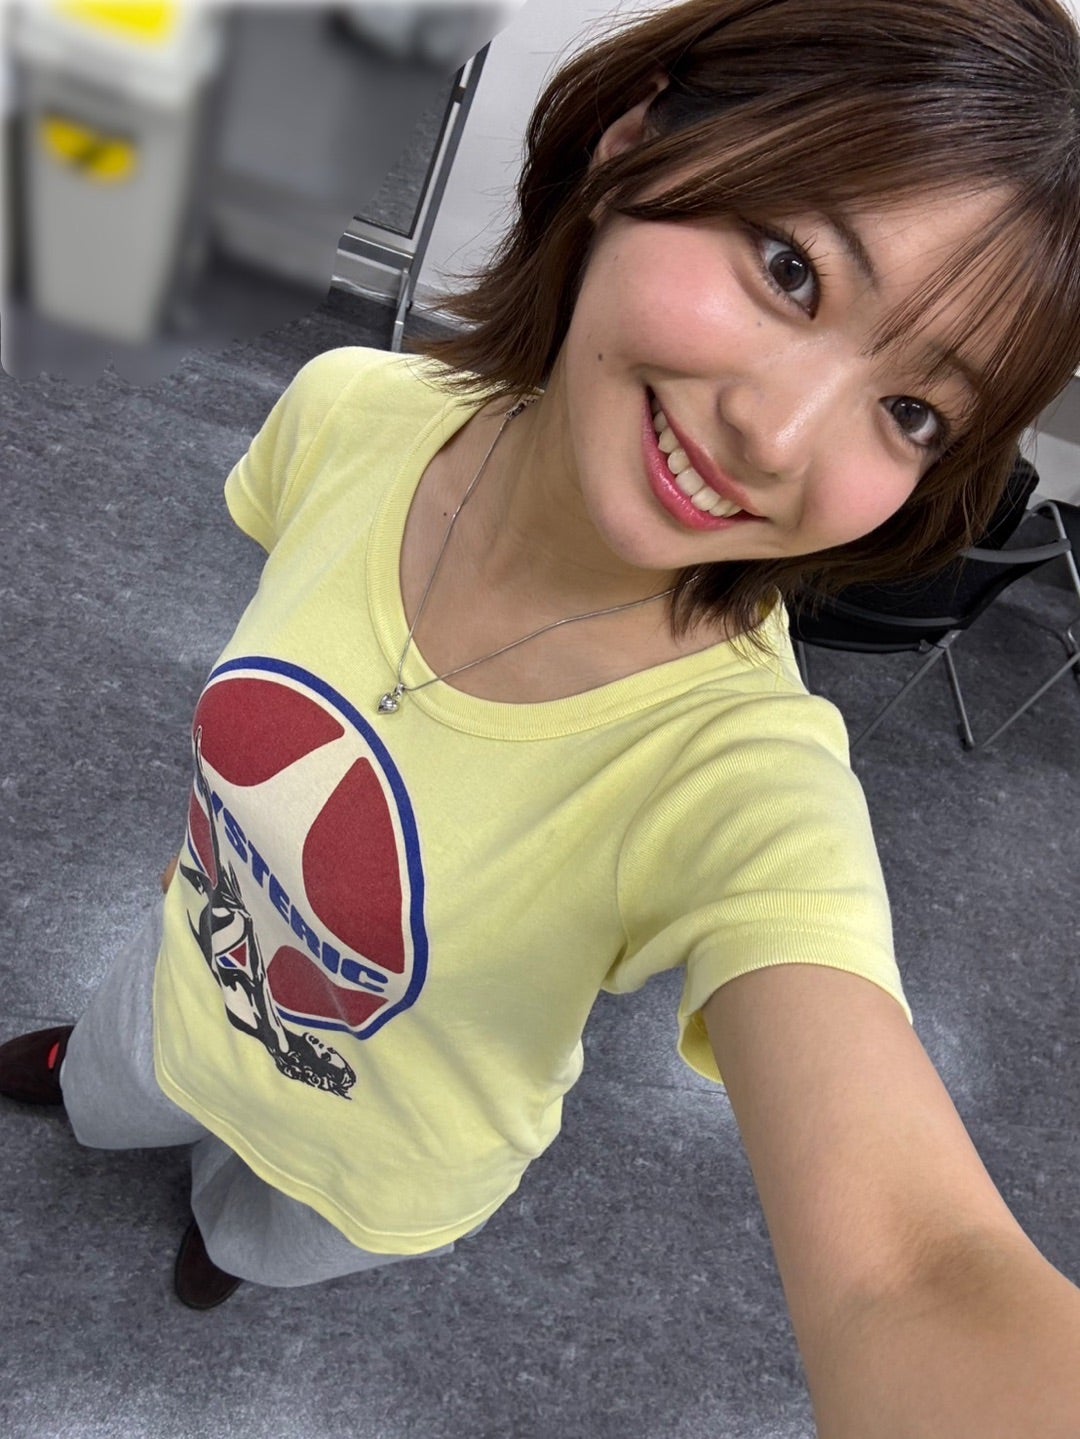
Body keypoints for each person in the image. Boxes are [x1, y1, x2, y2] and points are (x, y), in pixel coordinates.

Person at [4, 0, 1080, 1428]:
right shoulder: (352, 412)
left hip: (380, 1157)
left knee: (259, 1230)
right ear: (633, 141)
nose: (778, 435)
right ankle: (95, 1085)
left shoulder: (744, 783)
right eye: (792, 269)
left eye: (913, 413)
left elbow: (911, 1272)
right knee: (119, 1076)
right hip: (190, 967)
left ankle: (226, 1237)